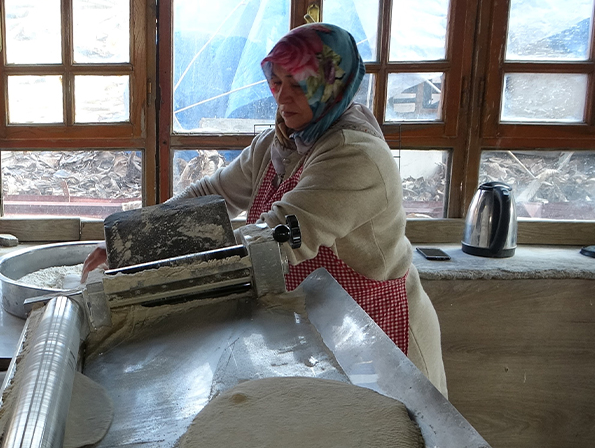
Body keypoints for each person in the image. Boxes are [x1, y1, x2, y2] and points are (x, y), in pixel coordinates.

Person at [85, 23, 447, 394]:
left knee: (388, 441)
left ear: (330, 84)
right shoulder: (279, 144)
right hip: (320, 323)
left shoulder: (355, 156)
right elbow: (213, 193)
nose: (283, 98)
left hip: (376, 333)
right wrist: (135, 238)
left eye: (299, 85)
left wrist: (147, 263)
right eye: (277, 83)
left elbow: (272, 238)